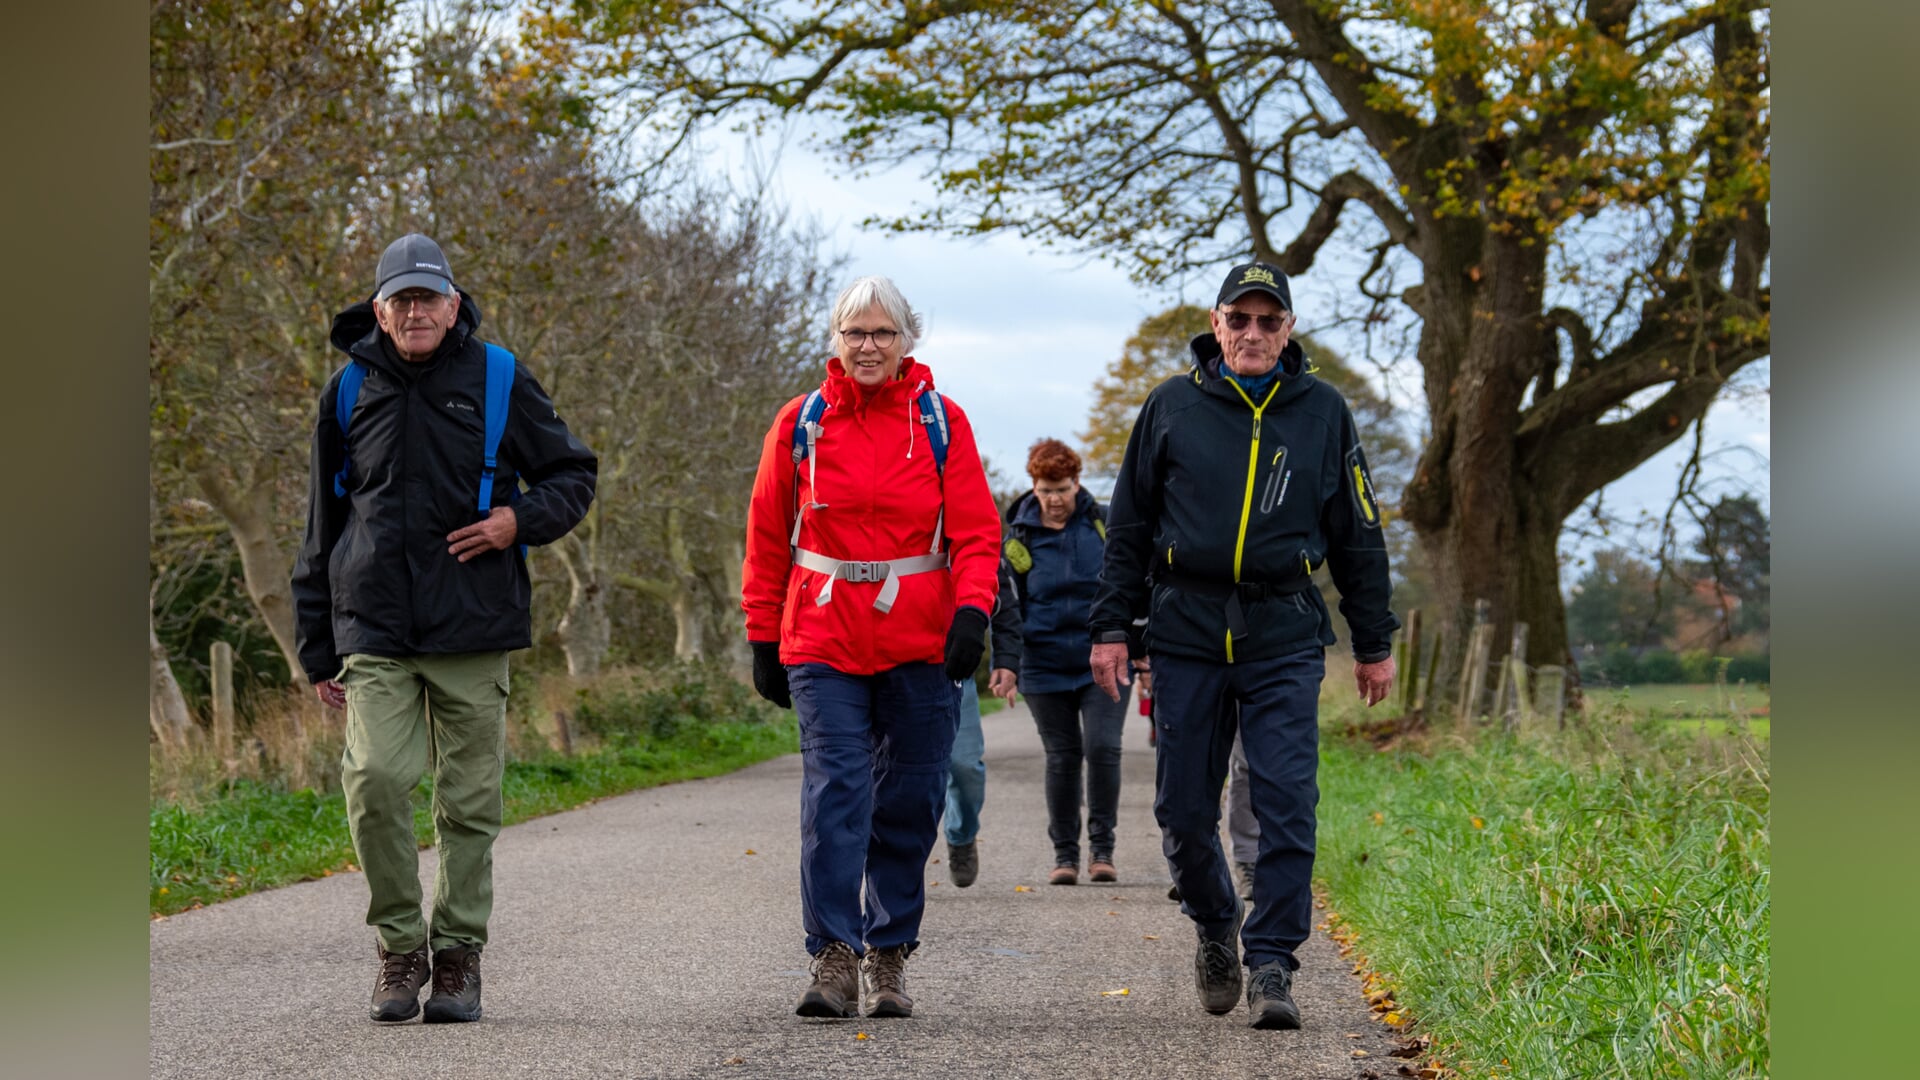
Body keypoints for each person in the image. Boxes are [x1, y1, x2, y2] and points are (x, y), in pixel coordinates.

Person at [292, 233, 598, 1024]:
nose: (417, 311)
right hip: (374, 627)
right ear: (381, 310)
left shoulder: (499, 378)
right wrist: (316, 643)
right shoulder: (346, 391)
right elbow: (322, 524)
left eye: (430, 298)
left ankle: (458, 958)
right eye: (402, 299)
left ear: (453, 305)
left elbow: (573, 473)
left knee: (470, 804)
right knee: (375, 782)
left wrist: (515, 523)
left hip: (475, 623)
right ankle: (400, 951)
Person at [1088, 261, 1397, 1030]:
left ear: (1288, 329)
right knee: (1183, 810)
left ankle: (1272, 963)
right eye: (1241, 319)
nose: (1254, 333)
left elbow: (1357, 533)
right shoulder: (1169, 406)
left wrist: (1373, 640)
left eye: (1270, 320)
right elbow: (1127, 526)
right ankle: (1214, 922)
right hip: (1186, 629)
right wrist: (1109, 627)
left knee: (1288, 799)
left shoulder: (1323, 411)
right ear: (1217, 323)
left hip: (1283, 629)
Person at [741, 275, 1001, 1020]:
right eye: (854, 333)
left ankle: (889, 951)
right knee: (838, 790)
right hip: (822, 634)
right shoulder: (803, 422)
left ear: (907, 342)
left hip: (920, 639)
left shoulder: (940, 421)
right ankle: (833, 952)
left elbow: (978, 534)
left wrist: (972, 615)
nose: (867, 346)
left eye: (882, 333)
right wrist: (763, 634)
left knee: (912, 798)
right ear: (835, 340)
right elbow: (766, 536)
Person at [999, 438, 1129, 886]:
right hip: (1043, 663)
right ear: (1033, 487)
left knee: (1103, 748)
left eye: (1063, 489)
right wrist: (1008, 662)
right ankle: (1065, 855)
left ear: (1078, 482)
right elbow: (1008, 603)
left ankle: (1103, 849)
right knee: (1062, 756)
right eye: (1045, 491)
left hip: (1104, 659)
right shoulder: (1018, 534)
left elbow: (1132, 585)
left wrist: (1143, 650)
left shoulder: (1103, 523)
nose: (1055, 500)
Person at [942, 562, 1023, 889]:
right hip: (892, 664)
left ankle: (961, 835)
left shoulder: (967, 529)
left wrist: (1006, 660)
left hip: (952, 670)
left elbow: (1004, 604)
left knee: (963, 766)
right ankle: (892, 864)